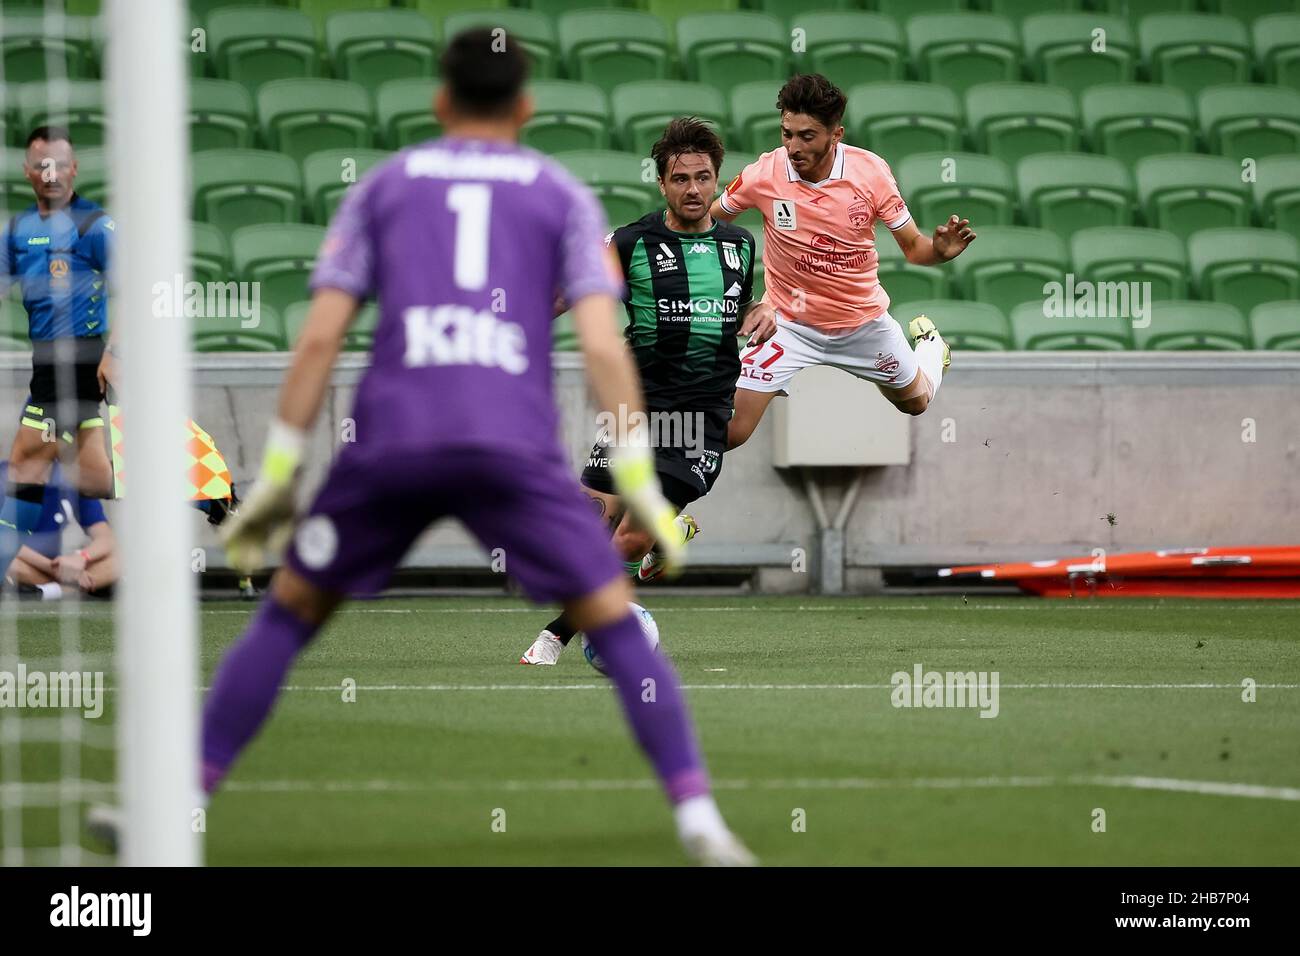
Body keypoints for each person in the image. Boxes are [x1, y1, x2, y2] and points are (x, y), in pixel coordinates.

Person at [208, 30, 753, 865]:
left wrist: (280, 474)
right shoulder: (559, 194)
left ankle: (180, 806)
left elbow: (318, 341)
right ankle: (699, 820)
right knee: (616, 622)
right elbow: (606, 350)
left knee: (287, 617)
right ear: (525, 107)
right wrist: (639, 477)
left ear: (439, 103)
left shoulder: (386, 187)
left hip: (395, 437)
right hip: (507, 441)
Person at [519, 116, 775, 666]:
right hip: (635, 408)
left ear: (717, 180)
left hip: (701, 415)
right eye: (680, 179)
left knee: (628, 539)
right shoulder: (632, 242)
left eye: (703, 178)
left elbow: (739, 310)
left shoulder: (738, 245)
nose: (693, 189)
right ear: (662, 183)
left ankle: (557, 636)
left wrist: (761, 309)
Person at [708, 74, 976, 450]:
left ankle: (932, 347)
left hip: (861, 323)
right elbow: (709, 223)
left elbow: (915, 248)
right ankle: (667, 508)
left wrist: (940, 251)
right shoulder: (763, 174)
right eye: (787, 133)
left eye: (807, 136)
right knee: (730, 432)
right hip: (788, 323)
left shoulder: (870, 173)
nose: (793, 146)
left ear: (836, 134)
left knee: (916, 403)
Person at [0, 125, 117, 585]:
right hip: (44, 360)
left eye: (60, 165)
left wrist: (117, 353)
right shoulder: (17, 231)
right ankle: (196, 490)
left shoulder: (96, 226)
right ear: (28, 172)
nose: (52, 174)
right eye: (42, 165)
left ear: (74, 169)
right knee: (93, 476)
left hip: (81, 359)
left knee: (26, 459)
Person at [0, 460, 116, 599]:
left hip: (62, 563)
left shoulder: (72, 476)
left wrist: (82, 557)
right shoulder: (5, 475)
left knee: (122, 556)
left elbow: (106, 537)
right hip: (28, 561)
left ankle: (54, 590)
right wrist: (51, 567)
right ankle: (74, 589)